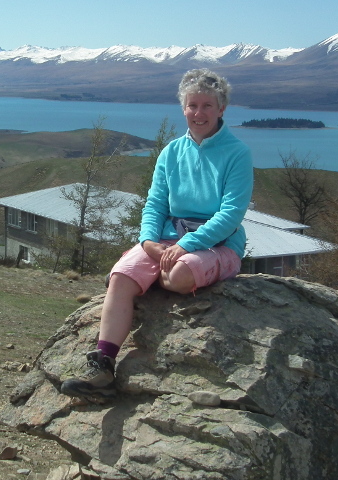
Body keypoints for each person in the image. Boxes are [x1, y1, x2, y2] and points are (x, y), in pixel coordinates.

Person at [60, 68, 254, 400]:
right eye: (192, 105)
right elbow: (155, 204)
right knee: (121, 277)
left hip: (218, 243)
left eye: (207, 105)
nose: (199, 113)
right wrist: (147, 240)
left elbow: (231, 214)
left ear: (222, 109)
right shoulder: (172, 152)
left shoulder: (237, 154)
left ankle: (166, 274)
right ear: (183, 108)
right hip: (165, 237)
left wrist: (188, 245)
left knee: (177, 277)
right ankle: (103, 366)